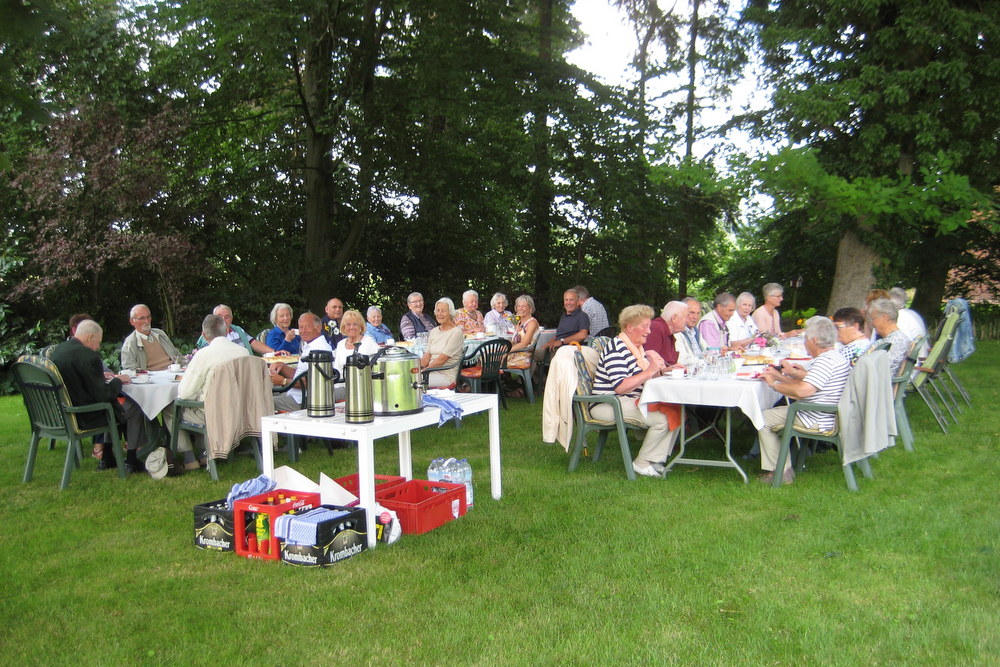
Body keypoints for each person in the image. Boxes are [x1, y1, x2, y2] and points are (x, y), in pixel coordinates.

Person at [756, 316, 851, 485]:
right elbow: (808, 385)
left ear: (814, 340)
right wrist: (780, 376)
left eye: (805, 338)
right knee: (769, 414)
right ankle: (782, 468)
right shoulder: (835, 357)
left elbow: (802, 391)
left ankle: (781, 471)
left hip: (816, 417)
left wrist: (773, 384)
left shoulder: (825, 362)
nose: (804, 342)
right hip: (826, 412)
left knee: (762, 419)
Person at [591, 305, 680, 478]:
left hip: (626, 399)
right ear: (629, 327)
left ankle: (655, 460)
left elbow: (640, 377)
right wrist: (650, 371)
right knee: (663, 418)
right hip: (608, 403)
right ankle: (642, 463)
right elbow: (620, 386)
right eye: (644, 327)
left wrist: (663, 371)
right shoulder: (617, 349)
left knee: (675, 409)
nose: (648, 331)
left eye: (649, 326)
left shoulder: (636, 349)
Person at [50, 319, 143, 472]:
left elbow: (78, 378)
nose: (98, 347)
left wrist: (99, 375)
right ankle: (132, 460)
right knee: (132, 408)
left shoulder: (60, 350)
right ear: (90, 337)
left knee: (116, 406)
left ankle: (107, 458)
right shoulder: (87, 356)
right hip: (83, 416)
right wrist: (117, 380)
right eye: (98, 342)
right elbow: (104, 395)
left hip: (64, 411)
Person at [175, 314, 251, 470]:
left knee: (171, 408)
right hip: (241, 413)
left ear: (204, 335)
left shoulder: (204, 354)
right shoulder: (243, 352)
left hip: (213, 415)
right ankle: (204, 453)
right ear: (227, 331)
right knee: (198, 404)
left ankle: (190, 458)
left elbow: (184, 393)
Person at [270, 312, 333, 411]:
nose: (303, 331)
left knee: (259, 403)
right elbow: (301, 376)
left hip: (303, 401)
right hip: (294, 395)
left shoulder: (321, 349)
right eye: (301, 327)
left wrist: (283, 381)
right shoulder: (310, 346)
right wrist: (283, 367)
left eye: (307, 327)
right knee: (260, 397)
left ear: (318, 327)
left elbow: (312, 382)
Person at [333, 309, 380, 399]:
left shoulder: (368, 342)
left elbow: (378, 366)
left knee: (326, 396)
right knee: (321, 394)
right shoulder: (340, 344)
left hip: (363, 387)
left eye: (355, 324)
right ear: (344, 327)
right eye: (348, 324)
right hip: (343, 385)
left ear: (361, 327)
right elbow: (337, 370)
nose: (351, 327)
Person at [419, 297, 465, 388]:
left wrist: (424, 371)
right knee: (405, 376)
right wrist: (416, 368)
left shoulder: (456, 332)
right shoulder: (434, 331)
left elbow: (442, 359)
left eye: (443, 311)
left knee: (411, 381)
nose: (439, 314)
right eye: (438, 310)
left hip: (446, 375)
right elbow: (426, 357)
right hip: (431, 371)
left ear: (451, 313)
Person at [121, 304, 180, 371]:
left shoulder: (160, 333)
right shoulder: (130, 343)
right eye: (142, 318)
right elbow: (129, 369)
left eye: (148, 317)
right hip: (152, 378)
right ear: (132, 321)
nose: (146, 321)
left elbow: (177, 355)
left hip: (174, 372)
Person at [196, 304, 274, 355]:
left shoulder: (238, 330)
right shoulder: (209, 334)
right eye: (219, 316)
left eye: (227, 317)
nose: (223, 319)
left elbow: (253, 343)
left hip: (246, 366)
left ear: (231, 319)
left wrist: (275, 353)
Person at [867, 298, 911, 375]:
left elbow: (880, 370)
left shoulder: (896, 341)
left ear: (884, 318)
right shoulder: (891, 339)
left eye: (873, 319)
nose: (872, 324)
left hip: (880, 385)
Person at [540, 289, 591, 356]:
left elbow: (583, 335)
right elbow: (558, 335)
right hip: (556, 348)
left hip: (568, 351)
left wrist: (562, 341)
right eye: (566, 300)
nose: (568, 302)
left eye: (571, 300)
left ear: (578, 302)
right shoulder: (564, 316)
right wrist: (547, 344)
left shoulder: (582, 316)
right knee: (531, 355)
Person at [889, 287, 930, 357]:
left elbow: (902, 346)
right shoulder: (911, 313)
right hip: (921, 357)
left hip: (913, 363)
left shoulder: (901, 317)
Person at [646, 301, 687, 367]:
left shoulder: (668, 332)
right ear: (674, 318)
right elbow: (650, 362)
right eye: (686, 317)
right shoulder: (656, 328)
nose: (687, 321)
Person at [506, 295, 540, 368]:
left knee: (491, 360)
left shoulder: (532, 323)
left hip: (524, 357)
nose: (520, 309)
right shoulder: (519, 323)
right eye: (519, 306)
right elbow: (516, 342)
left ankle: (487, 378)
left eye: (524, 306)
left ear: (530, 308)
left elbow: (524, 344)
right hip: (515, 354)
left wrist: (506, 352)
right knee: (486, 356)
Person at [674, 297, 705, 366]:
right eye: (692, 313)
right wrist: (702, 360)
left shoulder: (695, 331)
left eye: (698, 313)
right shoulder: (676, 332)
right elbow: (681, 359)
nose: (695, 317)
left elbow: (707, 349)